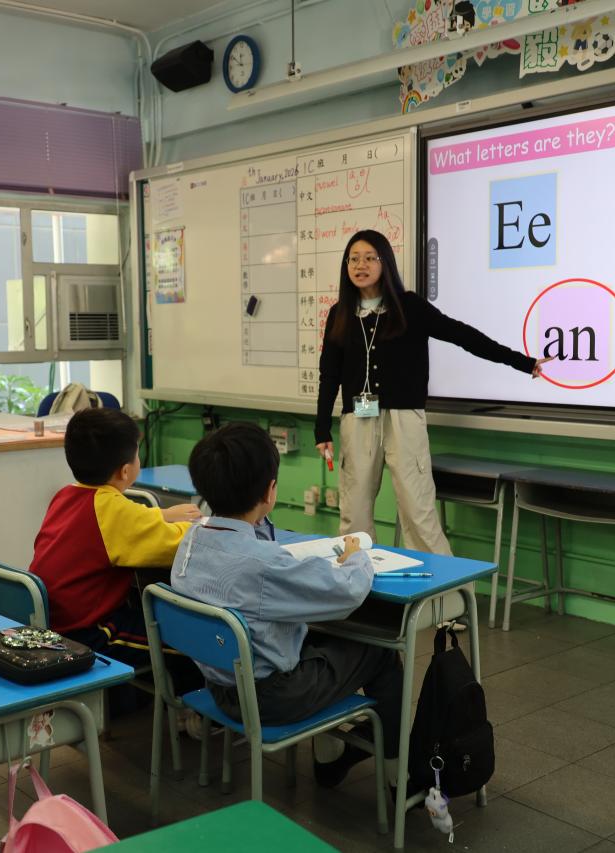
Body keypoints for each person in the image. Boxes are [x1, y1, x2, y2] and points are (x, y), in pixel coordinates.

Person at [172, 422, 405, 787]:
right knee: (380, 652)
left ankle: (332, 754)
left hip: (218, 686)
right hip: (270, 698)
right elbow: (346, 593)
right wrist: (356, 555)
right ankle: (399, 778)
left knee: (320, 638)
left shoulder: (190, 542)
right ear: (270, 491)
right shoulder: (263, 565)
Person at [314, 229, 550, 555]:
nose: (360, 265)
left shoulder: (409, 307)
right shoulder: (340, 313)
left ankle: (439, 583)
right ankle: (355, 577)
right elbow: (330, 375)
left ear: (385, 263)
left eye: (369, 258)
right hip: (358, 419)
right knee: (354, 511)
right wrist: (321, 429)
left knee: (417, 510)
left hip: (404, 419)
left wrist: (521, 362)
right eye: (353, 259)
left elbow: (461, 335)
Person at [29, 407, 202, 714]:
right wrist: (202, 527)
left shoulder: (67, 495)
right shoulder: (113, 512)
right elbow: (176, 544)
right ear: (125, 471)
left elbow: (124, 522)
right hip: (89, 633)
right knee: (190, 641)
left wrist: (161, 514)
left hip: (54, 620)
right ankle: (191, 715)